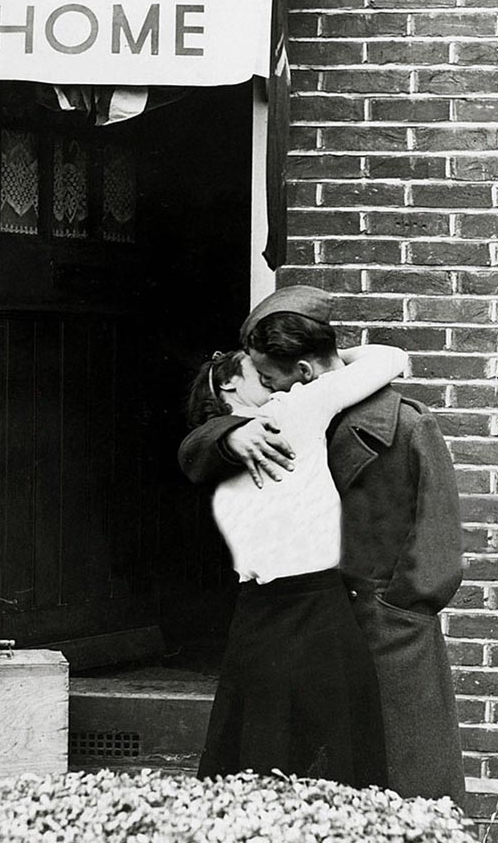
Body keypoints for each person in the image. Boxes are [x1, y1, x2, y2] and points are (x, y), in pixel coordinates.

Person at [179, 285, 466, 806]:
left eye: (267, 378)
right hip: (315, 624)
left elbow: (438, 542)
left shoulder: (401, 423)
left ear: (304, 373)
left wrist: (401, 609)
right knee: (311, 790)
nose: (263, 388)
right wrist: (228, 435)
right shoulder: (275, 418)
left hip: (387, 630)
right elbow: (202, 434)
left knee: (406, 793)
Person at [186, 335, 408, 788]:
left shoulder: (247, 431)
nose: (280, 379)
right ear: (229, 385)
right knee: (322, 755)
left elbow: (195, 446)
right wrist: (324, 361)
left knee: (263, 753)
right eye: (263, 373)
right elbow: (391, 358)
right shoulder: (293, 411)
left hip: (286, 608)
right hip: (293, 608)